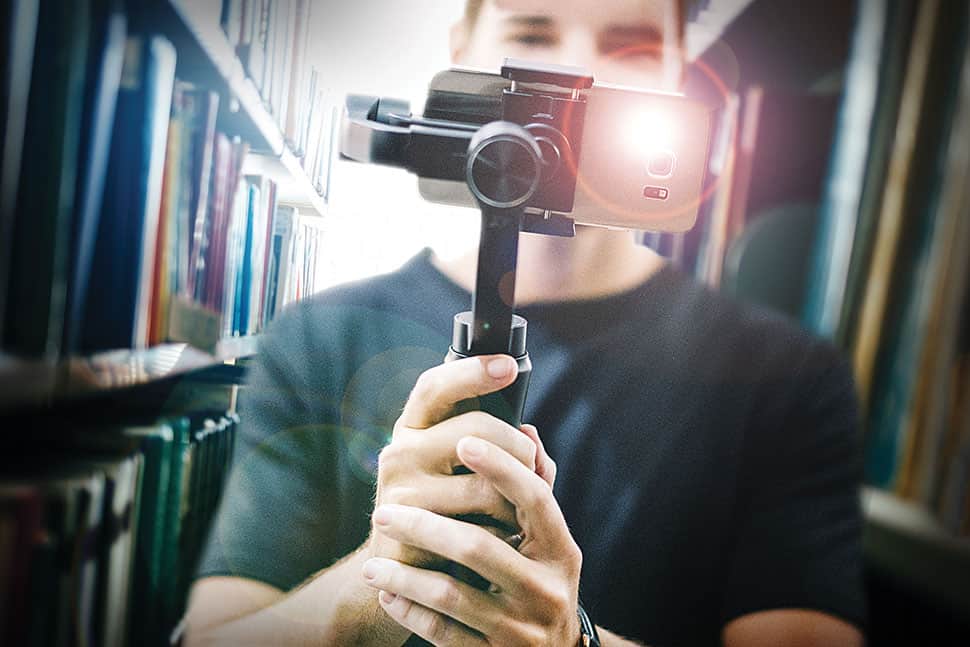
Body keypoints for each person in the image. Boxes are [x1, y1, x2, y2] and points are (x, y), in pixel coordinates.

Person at [185, 1, 867, 645]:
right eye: (532, 35)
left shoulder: (786, 377)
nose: (579, 78)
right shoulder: (317, 336)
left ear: (679, 72)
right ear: (464, 50)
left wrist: (572, 639)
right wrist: (380, 577)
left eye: (630, 45)